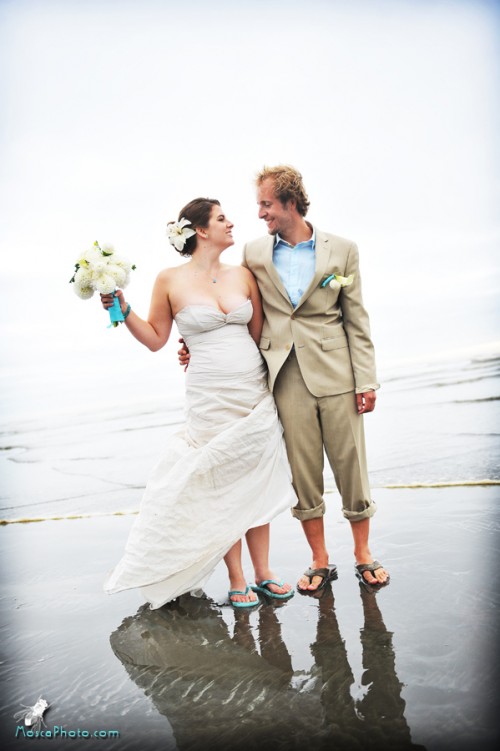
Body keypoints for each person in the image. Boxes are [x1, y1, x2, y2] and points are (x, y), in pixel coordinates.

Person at [180, 166, 389, 592]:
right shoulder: (254, 254)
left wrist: (367, 380)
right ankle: (319, 559)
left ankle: (363, 554)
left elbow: (357, 320)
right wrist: (195, 345)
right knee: (302, 471)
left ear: (290, 202)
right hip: (284, 377)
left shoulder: (343, 250)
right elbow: (234, 306)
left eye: (266, 204)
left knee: (352, 465)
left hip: (339, 374)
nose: (259, 214)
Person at [101, 197, 295, 609]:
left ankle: (264, 573)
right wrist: (122, 307)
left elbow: (261, 337)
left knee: (256, 480)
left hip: (252, 392)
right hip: (209, 397)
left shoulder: (243, 275)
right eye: (222, 218)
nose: (231, 223)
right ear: (201, 231)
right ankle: (237, 577)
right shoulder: (169, 280)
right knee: (221, 485)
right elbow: (156, 338)